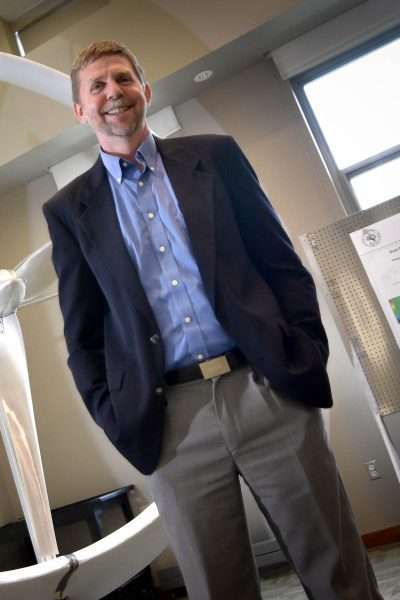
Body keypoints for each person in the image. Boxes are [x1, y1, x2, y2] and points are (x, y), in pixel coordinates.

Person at [42, 40, 381, 599]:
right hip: (170, 422)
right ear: (80, 111)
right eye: (97, 86)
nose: (113, 93)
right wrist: (116, 414)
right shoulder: (69, 210)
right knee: (216, 587)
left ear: (145, 91)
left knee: (336, 568)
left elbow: (281, 265)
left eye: (123, 79)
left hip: (266, 388)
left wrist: (303, 352)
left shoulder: (216, 156)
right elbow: (82, 336)